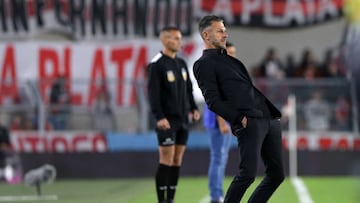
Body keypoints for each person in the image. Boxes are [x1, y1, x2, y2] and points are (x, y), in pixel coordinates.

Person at [193, 15, 285, 203]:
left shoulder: (231, 60)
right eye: (220, 31)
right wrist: (239, 119)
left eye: (224, 30)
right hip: (249, 121)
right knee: (247, 175)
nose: (225, 34)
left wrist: (270, 116)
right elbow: (213, 101)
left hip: (268, 118)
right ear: (206, 35)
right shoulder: (203, 64)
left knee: (277, 175)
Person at [147, 26, 201, 203]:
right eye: (176, 38)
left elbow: (188, 89)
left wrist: (193, 108)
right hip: (167, 121)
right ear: (165, 40)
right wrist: (159, 117)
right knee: (166, 159)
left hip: (183, 121)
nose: (180, 42)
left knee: (177, 160)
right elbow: (153, 94)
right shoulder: (157, 64)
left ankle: (170, 199)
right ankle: (161, 200)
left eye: (180, 38)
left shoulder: (182, 63)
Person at [203, 42, 236, 203]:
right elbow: (217, 100)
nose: (232, 56)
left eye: (233, 53)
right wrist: (222, 123)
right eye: (229, 52)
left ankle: (218, 193)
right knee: (218, 157)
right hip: (218, 121)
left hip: (225, 121)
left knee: (221, 158)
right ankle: (216, 195)